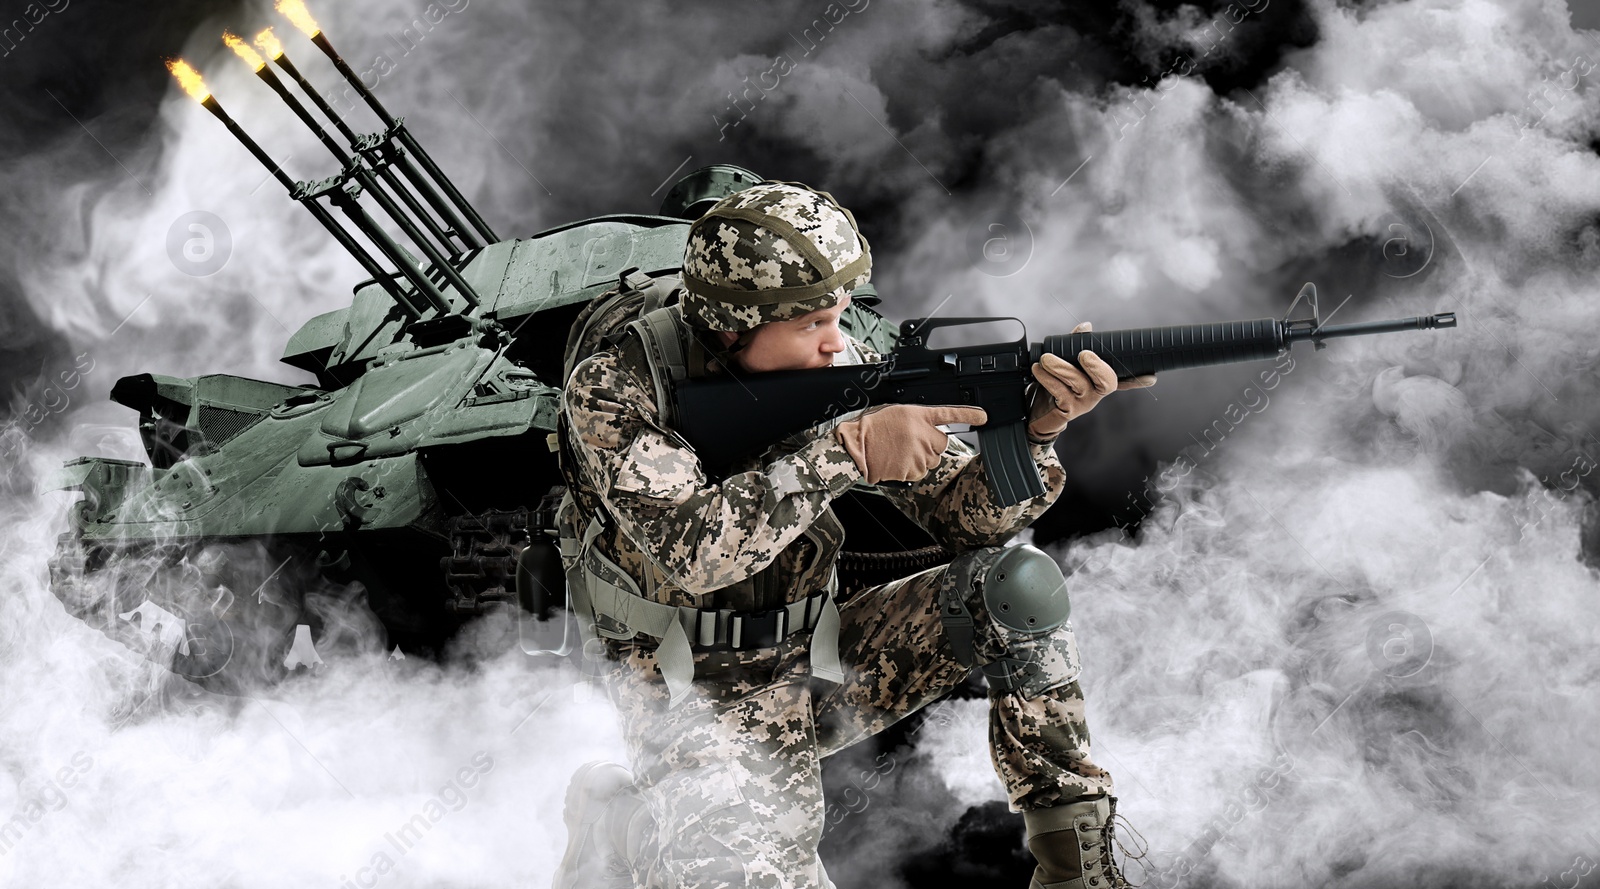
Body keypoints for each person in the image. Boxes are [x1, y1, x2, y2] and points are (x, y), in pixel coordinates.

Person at [552, 181, 1154, 889]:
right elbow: (695, 554)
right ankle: (616, 821)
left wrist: (1039, 427)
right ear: (733, 325)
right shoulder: (616, 386)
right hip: (687, 687)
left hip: (820, 652)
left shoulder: (832, 361)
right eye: (813, 323)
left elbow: (970, 520)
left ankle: (1077, 871)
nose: (838, 342)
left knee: (1017, 588)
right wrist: (848, 450)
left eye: (840, 314)